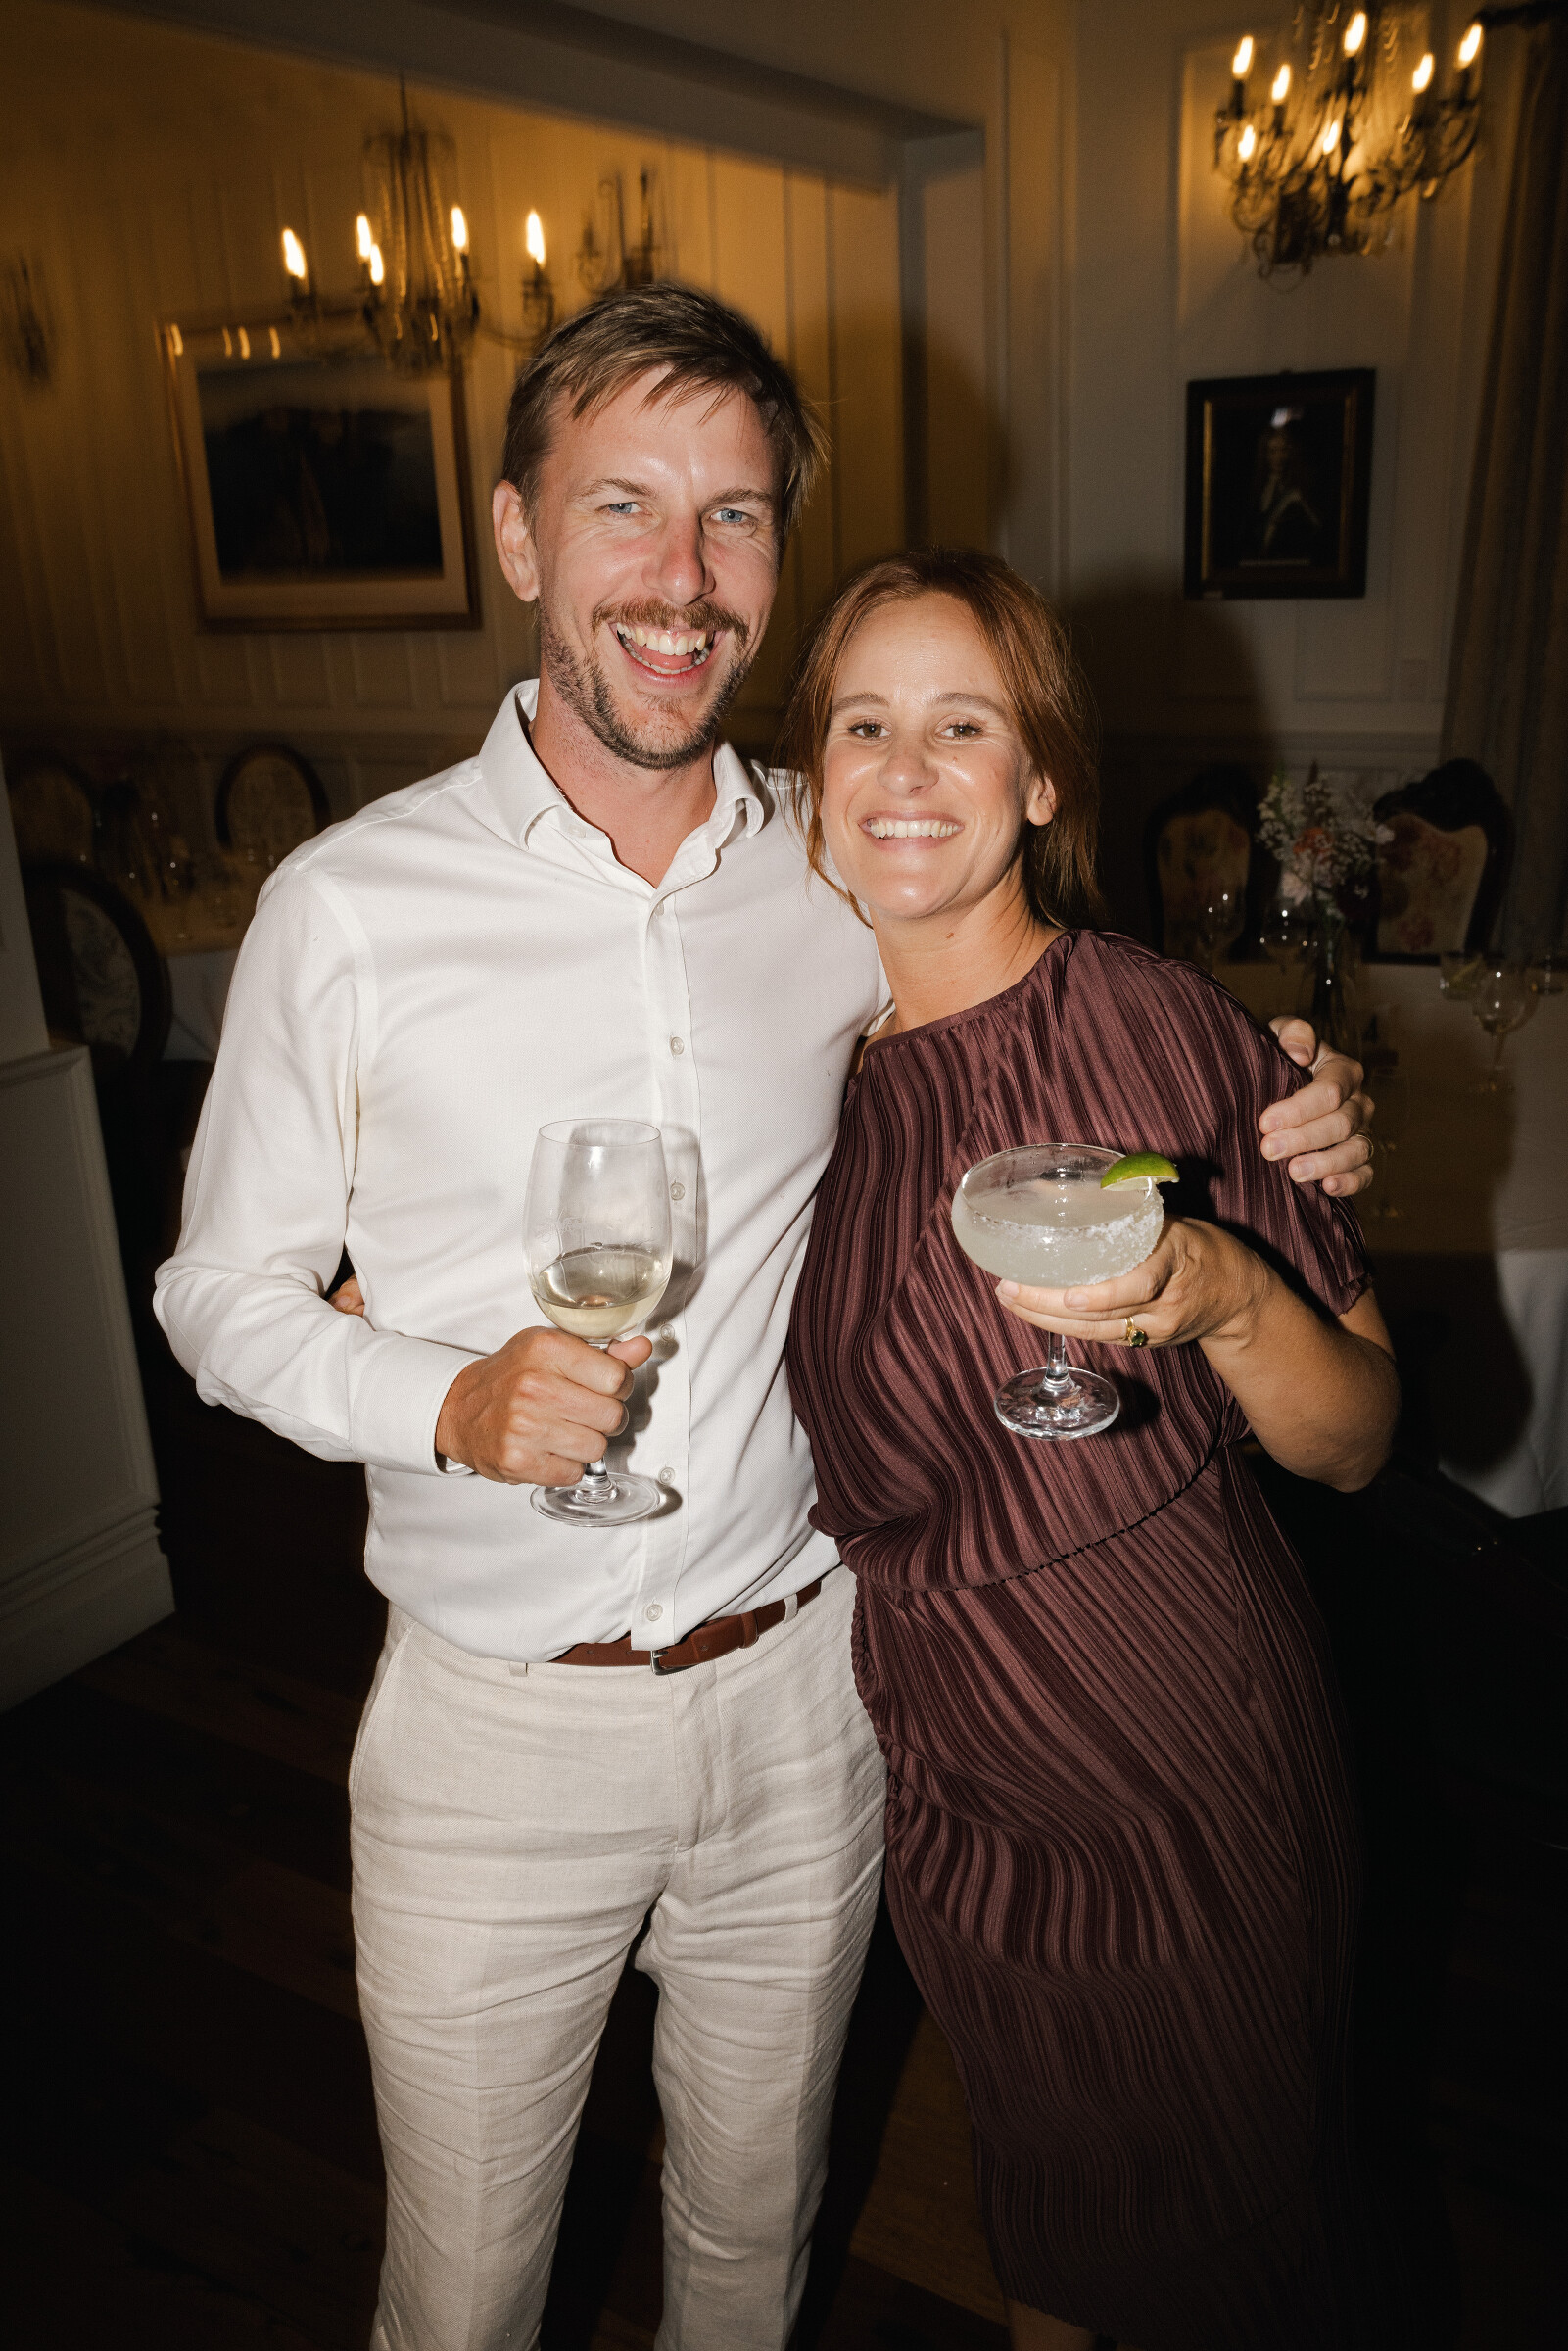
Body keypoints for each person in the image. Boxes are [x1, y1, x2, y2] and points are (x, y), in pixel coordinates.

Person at [155, 287, 1374, 2351]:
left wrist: (1298, 1104)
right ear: (519, 533)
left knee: (753, 2248)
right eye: (623, 505)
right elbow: (212, 1297)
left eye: (732, 516)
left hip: (814, 1699)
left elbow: (1031, 982)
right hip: (499, 1729)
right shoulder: (348, 907)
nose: (682, 572)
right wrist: (441, 1398)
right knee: (461, 2297)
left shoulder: (827, 868)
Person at [784, 547, 1399, 2351]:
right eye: (863, 726)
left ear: (1043, 780)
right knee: (1051, 2240)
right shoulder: (792, 1069)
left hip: (1177, 1749)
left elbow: (1356, 1441)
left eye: (962, 726)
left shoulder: (1151, 1022)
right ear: (808, 779)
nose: (906, 771)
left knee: (1235, 2259)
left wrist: (1225, 1295)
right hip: (955, 1778)